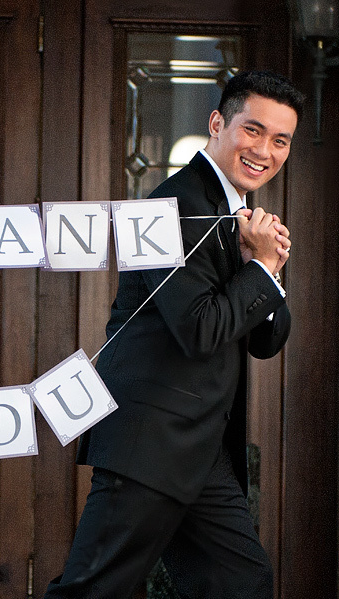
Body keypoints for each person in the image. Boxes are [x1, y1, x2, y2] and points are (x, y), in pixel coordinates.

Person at [44, 71, 302, 598]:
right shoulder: (169, 207)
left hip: (200, 451)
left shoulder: (236, 217)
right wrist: (263, 268)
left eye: (280, 140)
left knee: (240, 582)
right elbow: (201, 331)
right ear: (217, 123)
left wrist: (265, 271)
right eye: (253, 131)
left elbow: (264, 341)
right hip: (149, 446)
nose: (265, 150)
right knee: (93, 590)